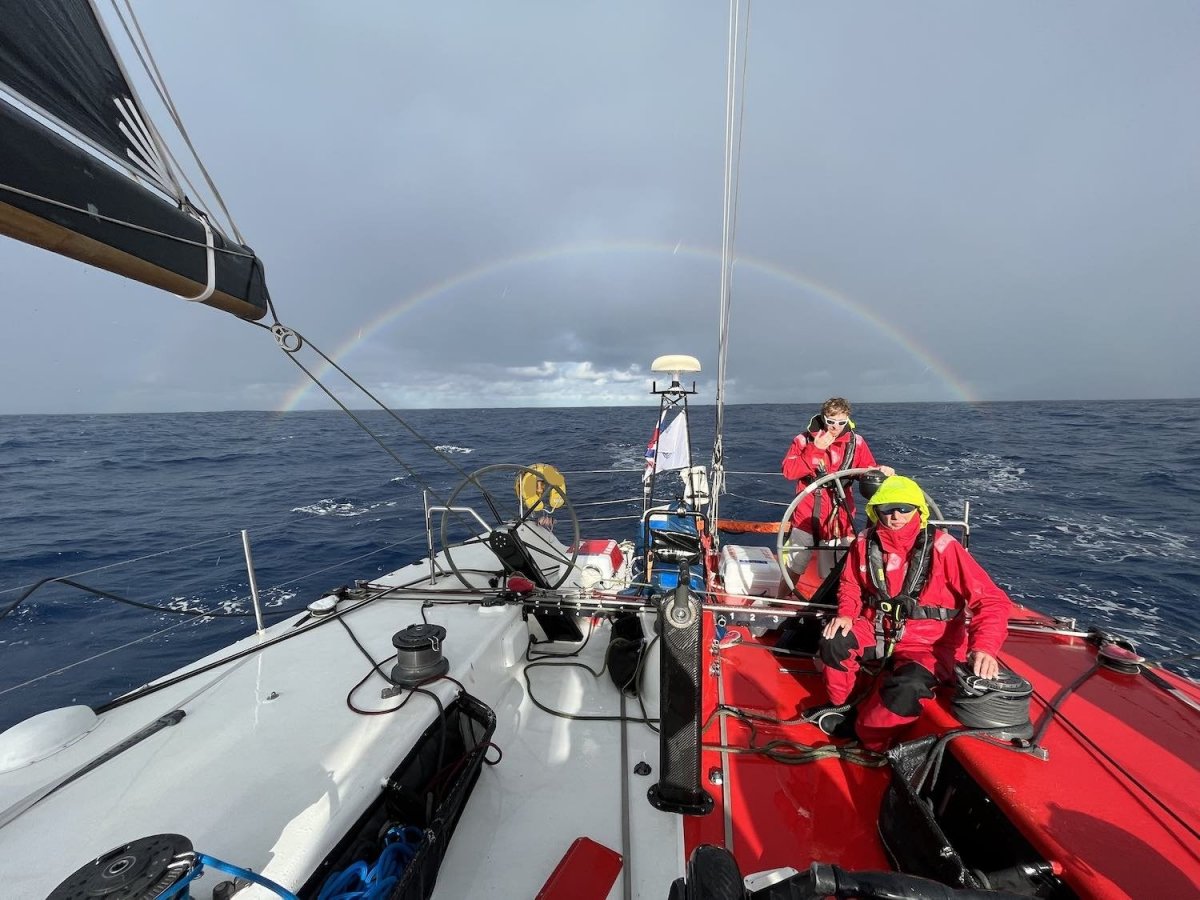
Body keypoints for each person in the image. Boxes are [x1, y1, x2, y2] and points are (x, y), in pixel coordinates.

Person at [816, 475, 1011, 750]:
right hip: (875, 628)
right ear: (876, 511)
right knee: (833, 642)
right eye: (887, 508)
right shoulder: (864, 542)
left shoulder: (944, 548)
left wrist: (985, 648)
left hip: (929, 645)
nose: (896, 516)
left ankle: (869, 739)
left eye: (905, 508)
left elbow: (991, 601)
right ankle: (841, 707)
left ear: (919, 510)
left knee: (907, 688)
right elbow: (850, 584)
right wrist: (847, 614)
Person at [780, 398, 893, 588]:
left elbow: (866, 469)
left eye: (841, 423)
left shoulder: (856, 443)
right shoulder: (803, 440)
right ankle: (778, 602)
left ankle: (835, 607)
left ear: (847, 419)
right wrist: (816, 449)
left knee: (839, 568)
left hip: (840, 518)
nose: (835, 427)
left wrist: (879, 470)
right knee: (794, 565)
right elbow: (789, 471)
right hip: (806, 514)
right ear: (824, 419)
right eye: (831, 422)